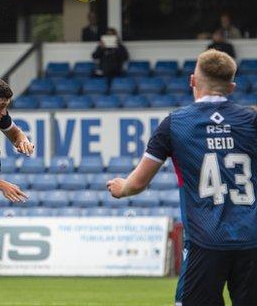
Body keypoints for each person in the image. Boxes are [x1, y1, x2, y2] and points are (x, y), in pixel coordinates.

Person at [107, 49, 257, 306]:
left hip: (205, 241)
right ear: (231, 87)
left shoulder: (175, 124)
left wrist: (122, 188)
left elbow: (138, 183)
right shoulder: (251, 120)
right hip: (252, 240)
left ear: (192, 81)